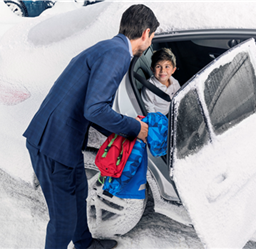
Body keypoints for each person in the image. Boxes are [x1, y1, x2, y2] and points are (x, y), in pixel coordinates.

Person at [21, 4, 155, 249]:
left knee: (80, 193)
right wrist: (134, 129)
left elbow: (91, 106)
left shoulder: (109, 47)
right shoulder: (118, 55)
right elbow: (95, 109)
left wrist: (123, 130)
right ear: (146, 33)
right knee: (62, 220)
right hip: (51, 144)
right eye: (152, 37)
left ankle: (85, 244)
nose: (150, 42)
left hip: (64, 141)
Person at [143, 48, 179, 112]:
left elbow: (179, 100)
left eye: (167, 67)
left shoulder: (175, 82)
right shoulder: (149, 88)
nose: (163, 70)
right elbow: (150, 110)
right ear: (152, 69)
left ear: (173, 70)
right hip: (160, 119)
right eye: (158, 66)